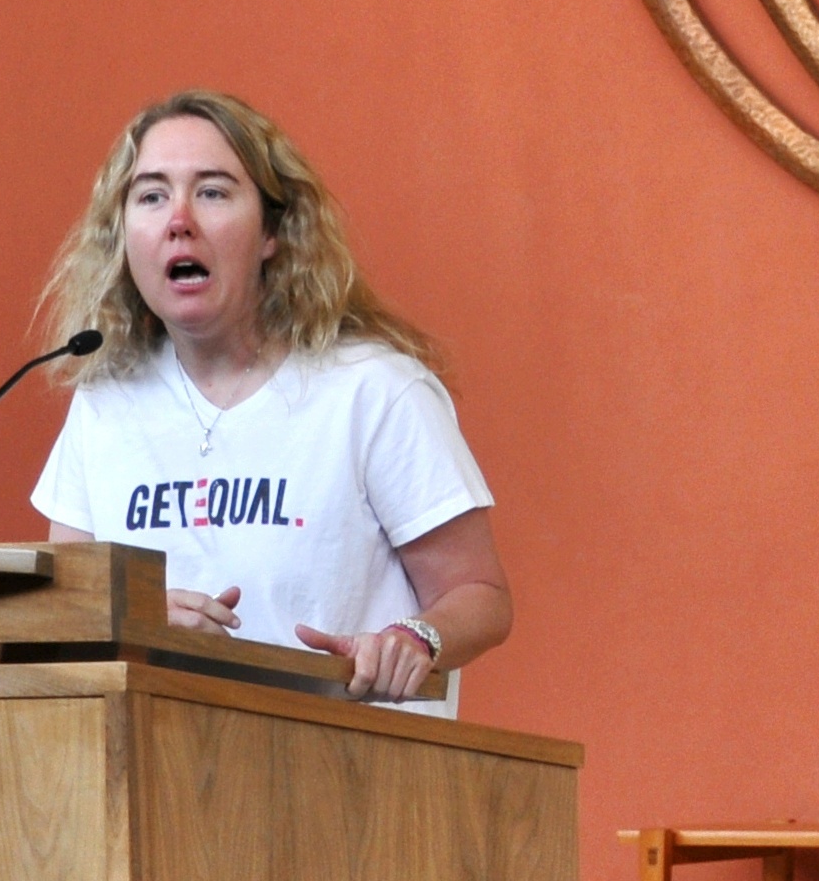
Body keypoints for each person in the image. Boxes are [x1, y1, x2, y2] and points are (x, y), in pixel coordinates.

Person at [31, 89, 511, 708]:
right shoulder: (105, 404)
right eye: (151, 196)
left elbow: (481, 595)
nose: (179, 219)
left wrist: (413, 638)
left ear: (272, 233)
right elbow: (66, 611)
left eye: (212, 192)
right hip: (162, 752)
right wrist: (136, 621)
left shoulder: (374, 391)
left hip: (350, 755)